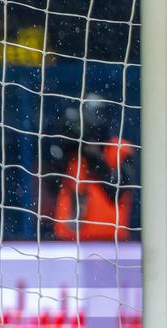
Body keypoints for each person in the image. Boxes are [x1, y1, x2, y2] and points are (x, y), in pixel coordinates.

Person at [49, 97, 136, 242]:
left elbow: (116, 190)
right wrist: (62, 145)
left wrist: (94, 155)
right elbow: (51, 185)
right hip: (67, 242)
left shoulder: (120, 150)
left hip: (109, 242)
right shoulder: (73, 150)